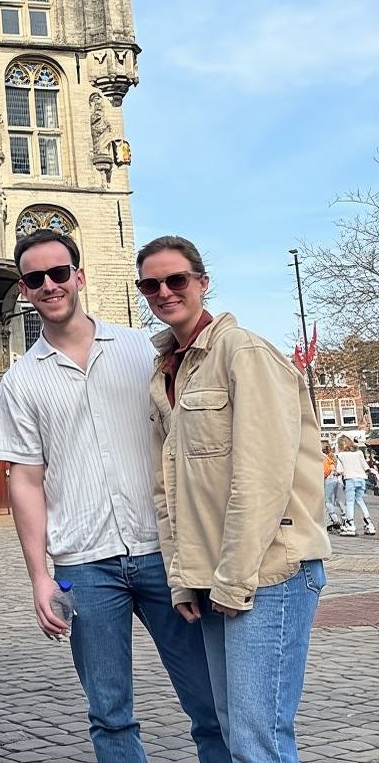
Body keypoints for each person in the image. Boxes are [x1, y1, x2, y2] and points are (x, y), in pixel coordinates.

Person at [0, 230, 226, 763]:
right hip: (84, 564)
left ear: (79, 276)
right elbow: (25, 480)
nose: (49, 285)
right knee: (109, 714)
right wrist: (39, 575)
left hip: (163, 552)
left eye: (59, 273)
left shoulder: (142, 351)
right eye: (35, 279)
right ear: (24, 291)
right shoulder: (21, 380)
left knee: (211, 703)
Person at [138, 235, 329, 763]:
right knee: (232, 732)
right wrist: (182, 578)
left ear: (202, 283)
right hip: (214, 576)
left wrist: (234, 577)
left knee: (257, 741)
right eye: (150, 284)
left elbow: (262, 478)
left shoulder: (243, 352)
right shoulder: (166, 371)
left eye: (176, 279)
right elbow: (168, 490)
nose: (164, 291)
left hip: (267, 573)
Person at [334, 435, 374, 536]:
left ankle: (350, 524)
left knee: (350, 502)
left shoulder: (340, 455)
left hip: (350, 479)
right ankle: (369, 524)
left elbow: (339, 470)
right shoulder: (359, 453)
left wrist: (336, 473)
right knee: (360, 500)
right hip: (361, 479)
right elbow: (366, 467)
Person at [322, 442, 343, 532]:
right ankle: (335, 521)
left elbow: (325, 471)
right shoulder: (331, 457)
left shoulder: (323, 458)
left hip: (328, 481)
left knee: (327, 502)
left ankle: (333, 520)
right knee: (332, 502)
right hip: (336, 481)